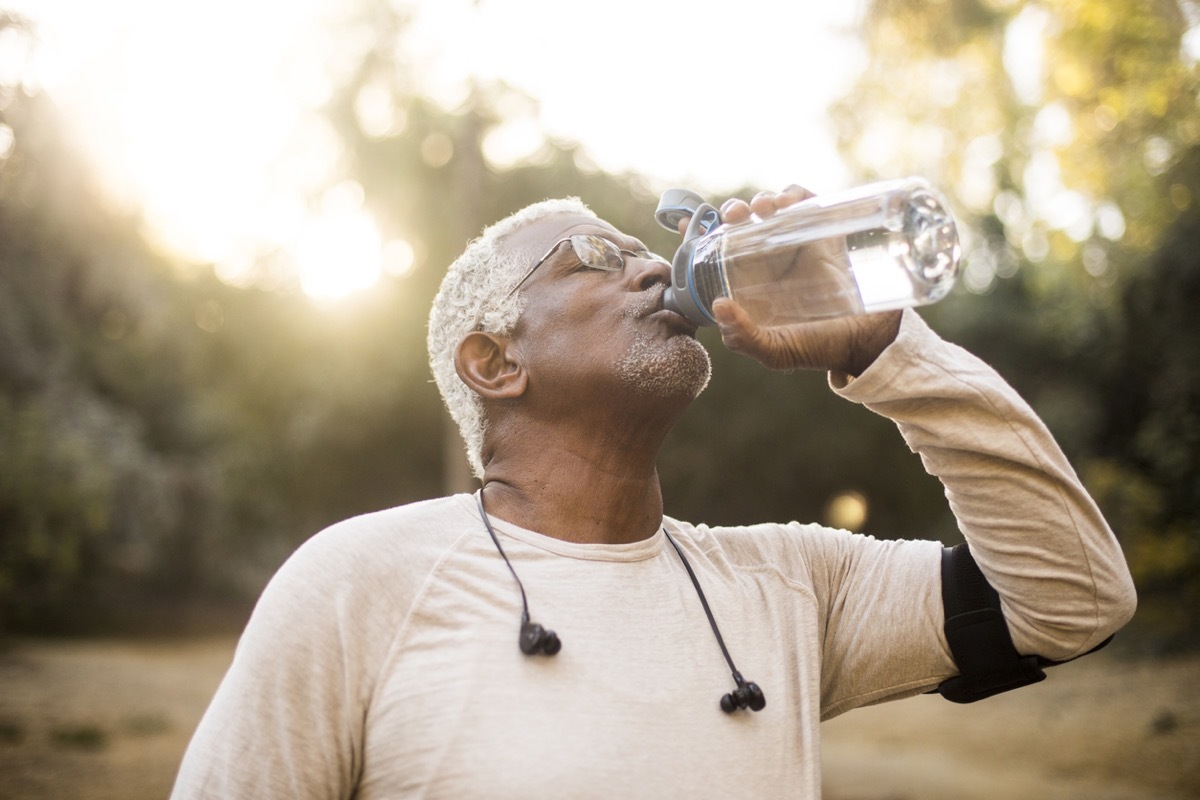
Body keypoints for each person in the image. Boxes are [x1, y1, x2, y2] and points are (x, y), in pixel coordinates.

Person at [171, 186, 1136, 799]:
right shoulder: (358, 582)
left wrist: (887, 352)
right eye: (592, 257)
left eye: (644, 247)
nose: (646, 264)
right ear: (494, 362)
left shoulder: (791, 584)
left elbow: (1074, 598)